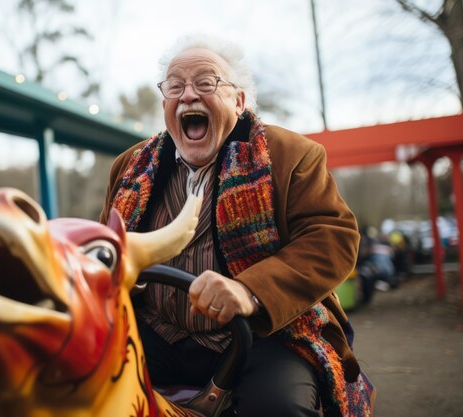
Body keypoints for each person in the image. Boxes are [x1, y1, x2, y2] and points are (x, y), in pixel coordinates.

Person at [100, 34, 374, 417]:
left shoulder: (292, 155)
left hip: (262, 337)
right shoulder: (129, 166)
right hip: (151, 332)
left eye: (206, 82)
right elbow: (106, 246)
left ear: (239, 101)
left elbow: (332, 237)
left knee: (278, 409)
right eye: (175, 86)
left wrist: (250, 290)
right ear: (165, 104)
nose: (189, 95)